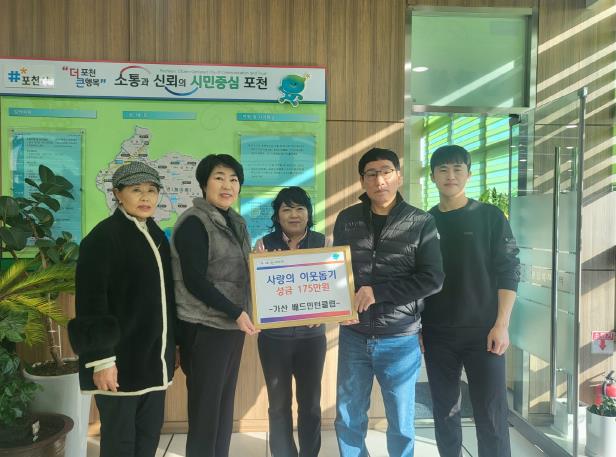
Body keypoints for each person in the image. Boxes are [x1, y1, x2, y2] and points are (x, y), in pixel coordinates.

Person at [333, 147, 444, 457]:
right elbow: (337, 271)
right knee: (349, 416)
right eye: (371, 174)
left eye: (385, 172)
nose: (379, 180)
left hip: (400, 337)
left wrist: (378, 292)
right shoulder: (347, 219)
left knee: (401, 421)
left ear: (398, 176)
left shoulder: (420, 221)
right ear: (362, 180)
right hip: (354, 334)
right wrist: (337, 304)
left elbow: (433, 279)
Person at [68, 162, 176, 457]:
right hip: (118, 363)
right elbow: (91, 303)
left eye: (152, 190)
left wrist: (172, 347)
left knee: (148, 437)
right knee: (120, 443)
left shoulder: (155, 235)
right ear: (117, 194)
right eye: (136, 190)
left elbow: (165, 300)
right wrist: (102, 360)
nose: (146, 197)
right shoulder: (102, 238)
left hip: (153, 360)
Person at [422, 144, 520, 457]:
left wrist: (502, 325)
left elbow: (509, 271)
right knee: (445, 411)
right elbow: (418, 279)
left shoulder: (489, 216)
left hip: (485, 331)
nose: (450, 175)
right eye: (443, 169)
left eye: (457, 169)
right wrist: (420, 327)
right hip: (438, 332)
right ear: (432, 176)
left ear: (469, 174)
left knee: (491, 412)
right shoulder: (424, 222)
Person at [171, 154, 258, 457]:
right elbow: (194, 280)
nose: (227, 185)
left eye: (233, 179)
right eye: (219, 178)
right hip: (205, 327)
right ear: (204, 183)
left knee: (222, 408)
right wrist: (236, 312)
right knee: (206, 412)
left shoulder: (235, 221)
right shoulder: (194, 222)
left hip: (231, 327)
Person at [255, 186, 327, 457]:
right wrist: (258, 264)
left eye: (300, 208)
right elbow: (258, 291)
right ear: (277, 215)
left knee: (311, 405)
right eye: (287, 209)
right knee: (278, 406)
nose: (294, 215)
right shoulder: (265, 245)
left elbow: (334, 289)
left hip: (312, 339)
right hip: (274, 340)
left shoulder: (323, 243)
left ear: (308, 213)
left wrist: (325, 311)